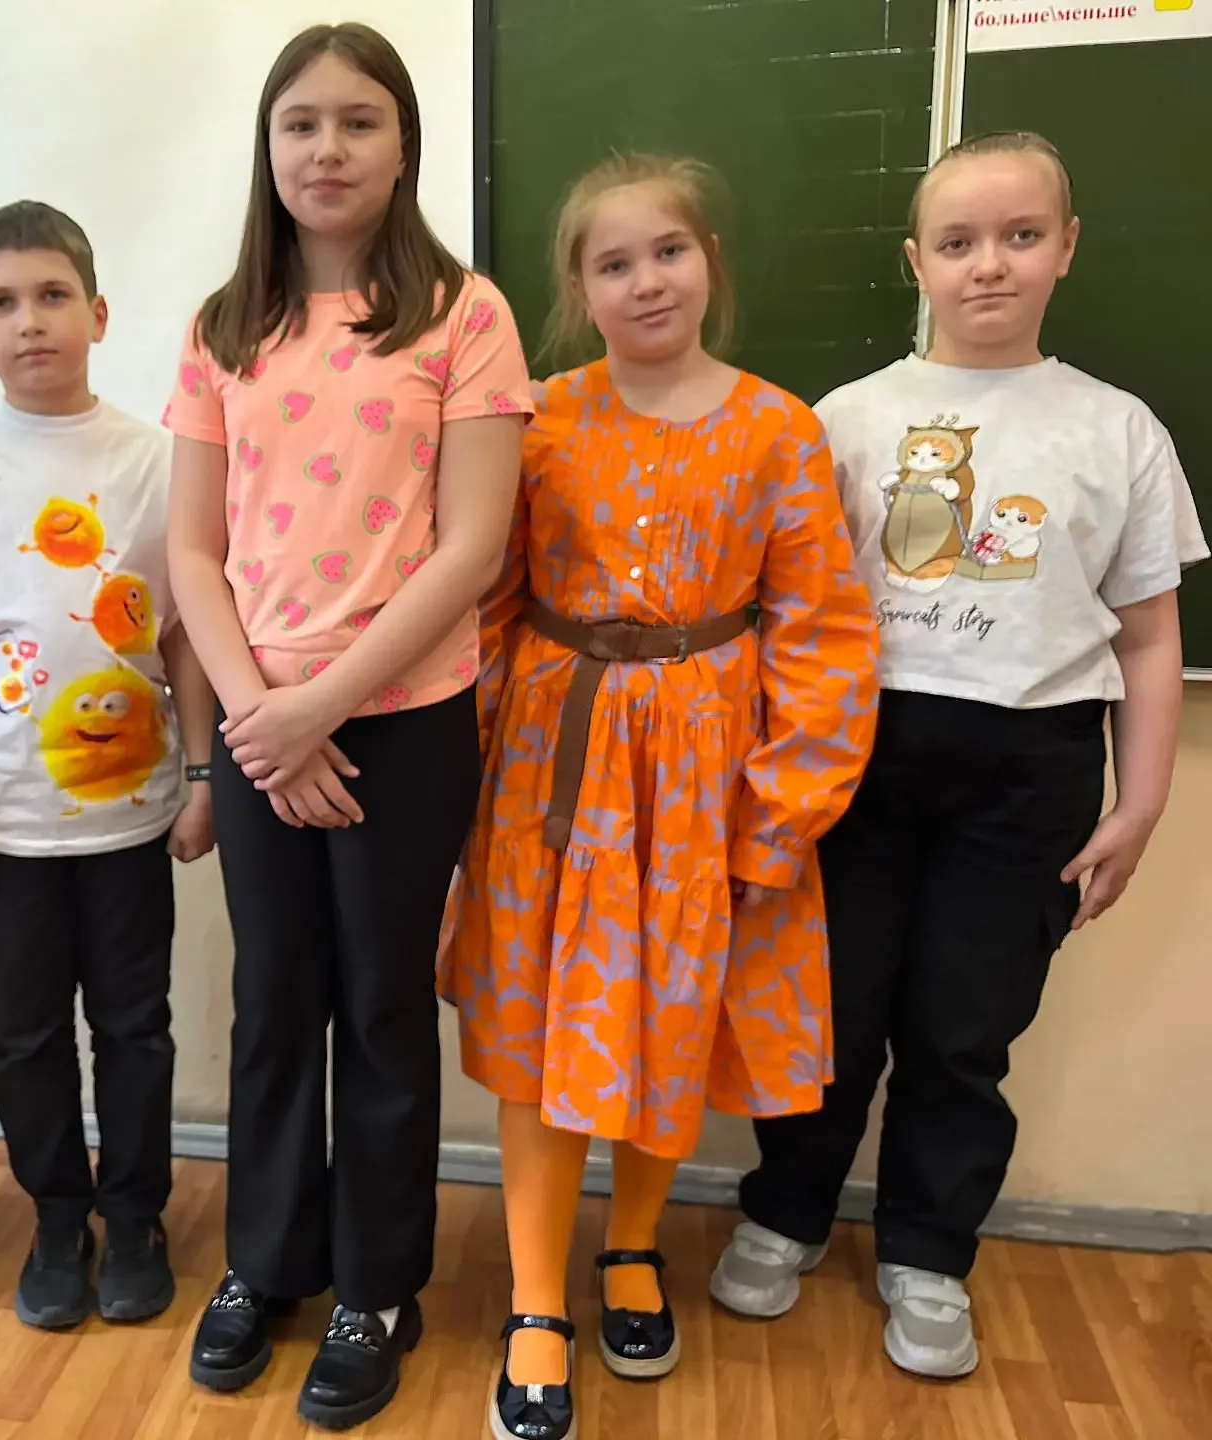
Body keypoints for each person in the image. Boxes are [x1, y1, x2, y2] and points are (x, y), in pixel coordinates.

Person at [713, 131, 1205, 1381]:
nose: (990, 264)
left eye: (1021, 236)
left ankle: (928, 1250)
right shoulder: (844, 420)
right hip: (855, 759)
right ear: (915, 260)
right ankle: (787, 1211)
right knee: (830, 1011)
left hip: (1030, 774)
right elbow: (781, 617)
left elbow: (1151, 638)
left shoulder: (1119, 430)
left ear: (1067, 248)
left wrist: (1142, 802)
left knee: (964, 1025)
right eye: (959, 241)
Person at [440, 154, 880, 1440]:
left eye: (668, 252)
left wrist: (781, 806)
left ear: (710, 264)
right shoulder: (538, 421)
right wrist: (461, 780)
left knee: (666, 1021)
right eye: (613, 263)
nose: (646, 281)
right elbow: (490, 600)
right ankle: (535, 1300)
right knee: (545, 1028)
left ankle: (632, 1247)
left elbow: (824, 630)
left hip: (703, 778)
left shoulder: (779, 429)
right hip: (553, 770)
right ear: (577, 289)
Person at [164, 23, 531, 1431]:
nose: (328, 149)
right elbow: (193, 550)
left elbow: (473, 546)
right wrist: (264, 721)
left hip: (404, 724)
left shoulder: (463, 313)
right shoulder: (224, 326)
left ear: (403, 144)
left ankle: (377, 1284)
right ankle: (266, 1261)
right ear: (268, 146)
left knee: (379, 1007)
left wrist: (323, 706)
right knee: (275, 1002)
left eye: (359, 121)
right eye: (301, 123)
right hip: (262, 724)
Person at [0, 200, 215, 1334]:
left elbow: (183, 632)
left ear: (98, 314)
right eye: (4, 303)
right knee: (23, 1038)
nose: (31, 321)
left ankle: (137, 1216)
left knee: (136, 1027)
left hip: (130, 818)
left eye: (53, 296)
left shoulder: (157, 460)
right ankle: (60, 1219)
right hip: (2, 826)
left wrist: (201, 776)